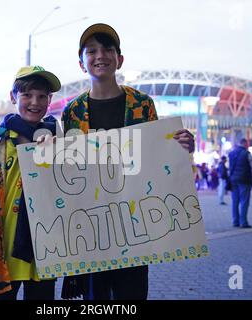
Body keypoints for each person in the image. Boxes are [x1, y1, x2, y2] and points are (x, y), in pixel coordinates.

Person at [60, 23, 195, 300]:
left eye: (108, 49)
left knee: (132, 293)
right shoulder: (72, 112)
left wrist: (182, 147)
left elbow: (158, 156)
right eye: (92, 51)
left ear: (119, 59)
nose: (101, 56)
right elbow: (66, 167)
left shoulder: (142, 104)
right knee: (95, 298)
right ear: (82, 63)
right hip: (92, 223)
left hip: (134, 221)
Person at [0, 65, 61, 300]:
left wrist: (56, 153)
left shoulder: (59, 141)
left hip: (43, 249)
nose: (34, 102)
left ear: (50, 100)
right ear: (13, 96)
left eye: (41, 96)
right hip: (1, 250)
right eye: (27, 95)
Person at [228, 138, 252, 228]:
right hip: (244, 180)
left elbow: (230, 167)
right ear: (245, 143)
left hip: (233, 180)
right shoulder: (247, 154)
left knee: (235, 201)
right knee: (244, 201)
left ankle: (235, 221)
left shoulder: (231, 153)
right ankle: (243, 222)